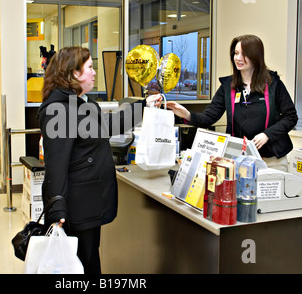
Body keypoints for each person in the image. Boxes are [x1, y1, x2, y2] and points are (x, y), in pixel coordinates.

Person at [38, 46, 162, 273]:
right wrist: (57, 208)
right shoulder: (59, 110)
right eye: (90, 67)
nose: (95, 73)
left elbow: (109, 126)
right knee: (81, 263)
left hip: (88, 203)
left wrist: (145, 105)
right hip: (75, 207)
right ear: (74, 73)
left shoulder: (83, 104)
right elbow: (56, 165)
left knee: (89, 257)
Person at [166, 34, 298, 171]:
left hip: (272, 161)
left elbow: (291, 117)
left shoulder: (273, 83)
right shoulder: (228, 86)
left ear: (255, 56)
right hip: (240, 161)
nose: (238, 58)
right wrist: (187, 115)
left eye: (244, 54)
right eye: (236, 53)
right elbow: (208, 117)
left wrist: (267, 135)